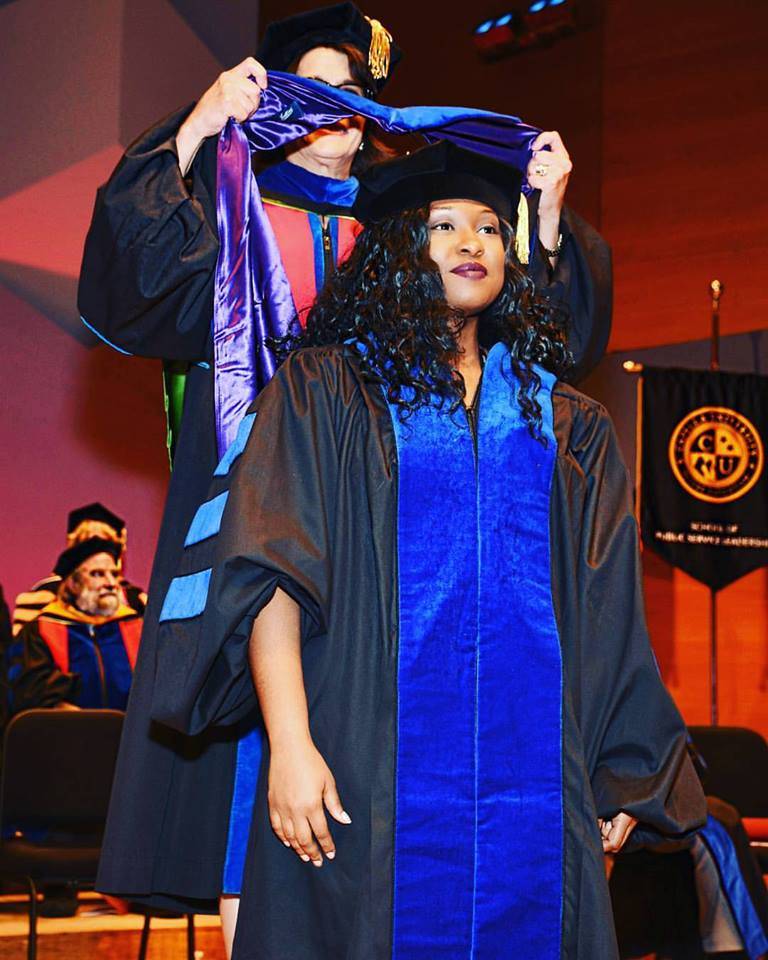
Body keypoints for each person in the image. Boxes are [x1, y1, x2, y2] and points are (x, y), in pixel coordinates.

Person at [110, 142, 704, 958]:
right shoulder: (324, 392)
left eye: (490, 227)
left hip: (533, 791)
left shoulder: (568, 427)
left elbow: (608, 616)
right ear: (396, 249)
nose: (472, 242)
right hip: (359, 767)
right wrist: (290, 746)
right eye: (443, 225)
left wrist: (624, 771)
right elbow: (271, 577)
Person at [7, 538, 142, 715]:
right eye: (97, 574)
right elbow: (29, 693)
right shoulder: (40, 631)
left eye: (114, 574)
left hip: (130, 730)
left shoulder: (137, 627)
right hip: (65, 729)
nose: (111, 583)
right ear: (73, 583)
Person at [11, 502, 146, 636]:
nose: (96, 551)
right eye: (86, 544)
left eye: (105, 545)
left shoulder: (136, 600)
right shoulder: (41, 596)